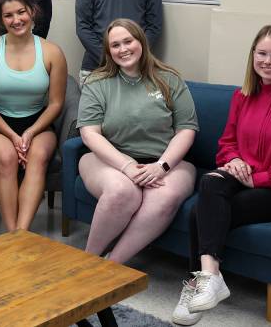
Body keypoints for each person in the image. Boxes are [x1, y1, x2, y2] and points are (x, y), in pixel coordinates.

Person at [172, 25, 271, 326]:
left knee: (200, 214)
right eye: (262, 53)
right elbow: (227, 142)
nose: (268, 61)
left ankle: (197, 290)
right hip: (244, 174)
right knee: (209, 183)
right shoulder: (243, 96)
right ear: (252, 56)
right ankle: (210, 280)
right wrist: (234, 159)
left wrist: (259, 178)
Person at [77, 18, 197, 265]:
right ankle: (88, 262)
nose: (123, 49)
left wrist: (161, 166)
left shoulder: (170, 79)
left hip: (165, 161)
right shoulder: (98, 82)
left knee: (164, 197)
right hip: (109, 161)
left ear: (140, 41)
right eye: (115, 45)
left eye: (128, 41)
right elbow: (89, 134)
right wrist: (126, 166)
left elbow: (186, 130)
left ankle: (111, 266)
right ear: (109, 51)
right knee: (122, 192)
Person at [0, 0, 67, 231]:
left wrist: (30, 132)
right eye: (8, 16)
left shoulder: (52, 52)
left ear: (32, 12)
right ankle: (11, 233)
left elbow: (56, 103)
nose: (16, 20)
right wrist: (13, 136)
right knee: (6, 158)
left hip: (39, 123)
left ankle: (21, 233)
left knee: (37, 156)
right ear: (1, 20)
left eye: (21, 12)